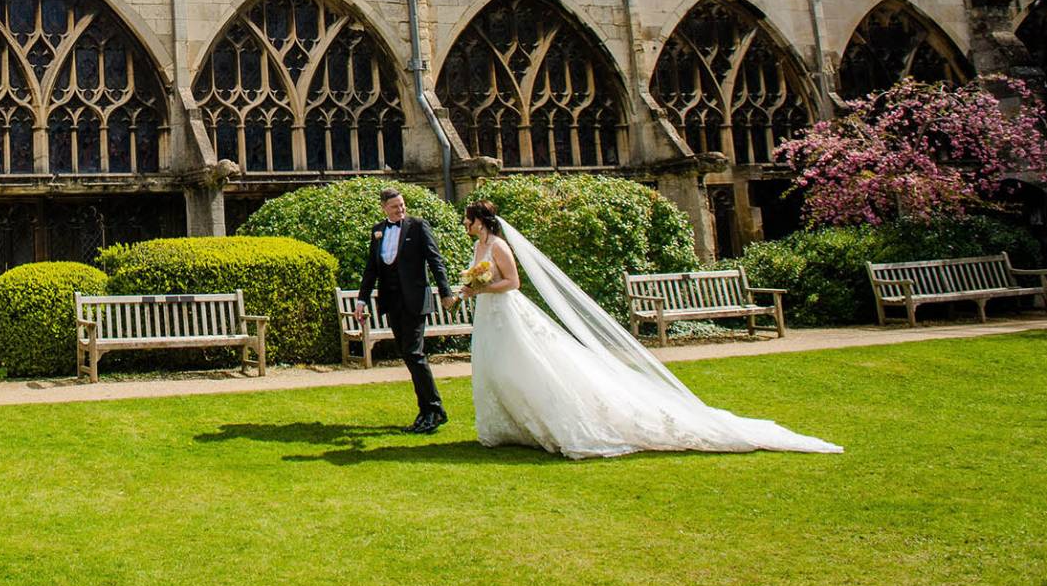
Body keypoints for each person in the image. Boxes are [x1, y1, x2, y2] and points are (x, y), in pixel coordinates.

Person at [457, 200, 842, 460]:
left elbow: (514, 283)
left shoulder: (500, 246)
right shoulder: (479, 248)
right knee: (499, 368)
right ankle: (515, 425)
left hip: (505, 310)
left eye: (468, 219)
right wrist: (469, 290)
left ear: (480, 221)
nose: (466, 225)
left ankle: (553, 424)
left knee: (527, 364)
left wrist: (482, 287)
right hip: (490, 316)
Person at [355, 186, 453, 434]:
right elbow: (371, 268)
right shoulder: (377, 231)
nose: (400, 210)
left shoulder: (418, 226)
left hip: (415, 299)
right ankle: (427, 411)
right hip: (392, 301)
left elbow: (435, 260)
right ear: (384, 208)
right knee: (408, 354)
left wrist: (445, 292)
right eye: (395, 207)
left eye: (402, 205)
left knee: (414, 353)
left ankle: (434, 410)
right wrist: (361, 300)